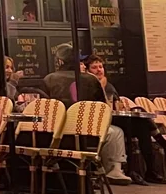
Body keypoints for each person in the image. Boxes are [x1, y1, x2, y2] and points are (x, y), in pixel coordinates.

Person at [85, 54, 166, 184]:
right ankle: (165, 149)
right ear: (87, 71)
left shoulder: (109, 86)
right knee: (139, 119)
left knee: (143, 127)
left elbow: (117, 105)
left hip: (115, 119)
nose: (99, 70)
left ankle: (150, 171)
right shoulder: (88, 86)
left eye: (101, 67)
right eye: (94, 68)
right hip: (100, 122)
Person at [44, 45, 129, 183]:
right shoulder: (90, 79)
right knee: (116, 132)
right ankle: (114, 170)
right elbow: (102, 108)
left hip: (56, 134)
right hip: (87, 133)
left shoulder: (49, 79)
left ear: (59, 62)